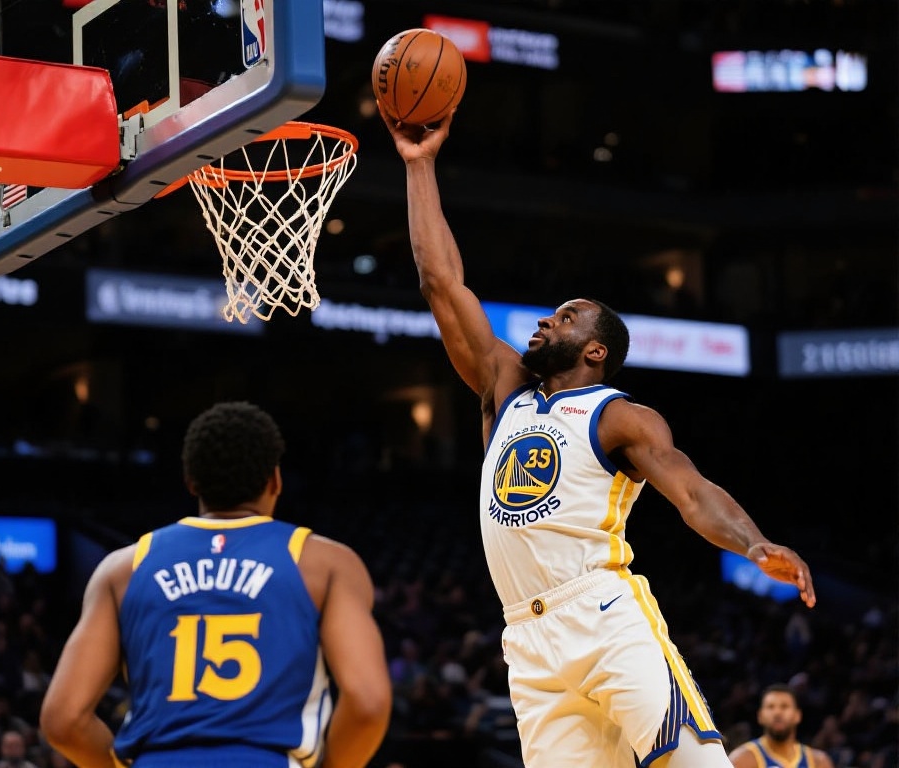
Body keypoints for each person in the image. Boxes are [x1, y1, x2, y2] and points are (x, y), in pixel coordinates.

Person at [379, 106, 818, 768]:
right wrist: (420, 165)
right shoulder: (504, 387)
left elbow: (693, 492)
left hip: (603, 615)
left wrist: (753, 543)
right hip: (526, 640)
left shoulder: (620, 416)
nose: (545, 322)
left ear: (596, 351)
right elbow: (441, 283)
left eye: (566, 317)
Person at [40, 401, 392, 768]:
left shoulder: (123, 569)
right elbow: (368, 704)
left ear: (191, 482)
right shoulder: (326, 564)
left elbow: (63, 722)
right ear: (275, 480)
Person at [728, 683, 835, 768]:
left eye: (784, 706)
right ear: (760, 716)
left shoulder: (819, 762)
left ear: (797, 715)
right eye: (771, 707)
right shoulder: (741, 760)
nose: (777, 713)